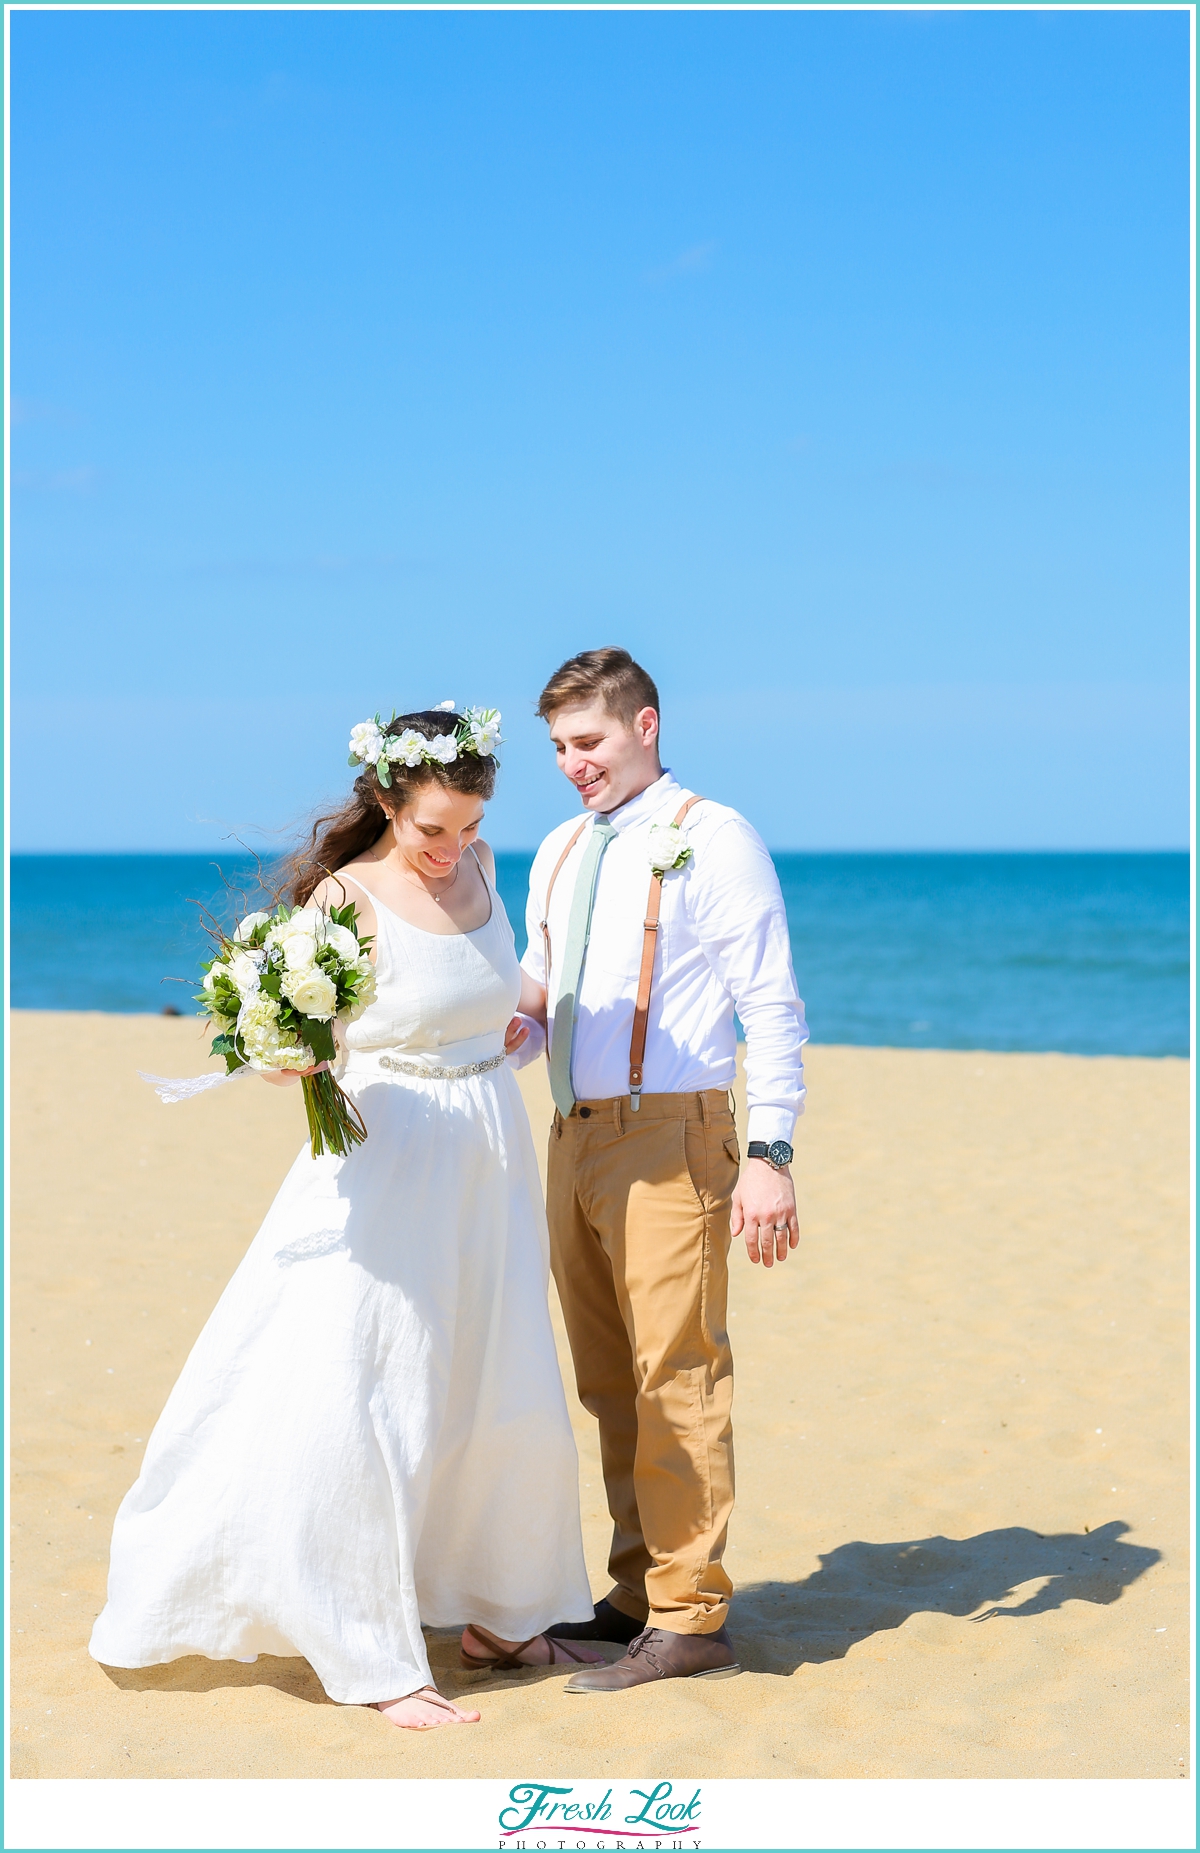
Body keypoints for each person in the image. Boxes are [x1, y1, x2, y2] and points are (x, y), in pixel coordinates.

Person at [89, 706, 602, 1730]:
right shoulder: (344, 897)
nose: (452, 847)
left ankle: (501, 1613)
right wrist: (295, 1057)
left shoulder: (488, 865)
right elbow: (294, 1037)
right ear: (384, 803)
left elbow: (478, 985)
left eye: (468, 822)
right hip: (387, 1160)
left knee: (496, 1377)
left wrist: (496, 1020)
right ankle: (367, 1649)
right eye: (432, 829)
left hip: (485, 1144)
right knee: (381, 1387)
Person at [517, 650, 808, 1693]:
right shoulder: (557, 846)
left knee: (676, 1373)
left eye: (587, 741)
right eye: (557, 746)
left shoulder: (712, 835)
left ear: (645, 723)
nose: (571, 764)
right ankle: (635, 1592)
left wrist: (769, 1153)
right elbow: (539, 989)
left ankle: (691, 1615)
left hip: (671, 1136)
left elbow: (769, 1003)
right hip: (575, 1135)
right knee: (608, 1379)